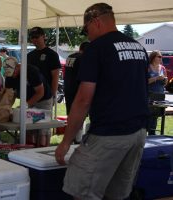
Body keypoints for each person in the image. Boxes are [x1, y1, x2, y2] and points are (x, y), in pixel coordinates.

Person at [55, 3, 149, 200]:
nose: (87, 35)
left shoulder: (97, 48)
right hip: (138, 133)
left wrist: (65, 141)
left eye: (87, 29)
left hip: (108, 134)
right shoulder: (138, 48)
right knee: (116, 195)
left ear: (95, 22)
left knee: (82, 191)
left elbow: (82, 100)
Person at [3, 57, 52, 146]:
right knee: (27, 128)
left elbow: (40, 93)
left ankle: (43, 149)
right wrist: (6, 107)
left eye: (13, 72)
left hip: (43, 100)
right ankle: (29, 149)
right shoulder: (9, 76)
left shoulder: (31, 71)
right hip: (27, 99)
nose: (12, 75)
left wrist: (26, 105)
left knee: (43, 128)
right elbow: (9, 94)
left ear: (18, 66)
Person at [27, 26, 61, 104]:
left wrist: (53, 95)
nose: (34, 39)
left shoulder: (52, 54)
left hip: (46, 97)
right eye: (32, 37)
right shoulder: (29, 55)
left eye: (36, 37)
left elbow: (55, 77)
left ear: (43, 36)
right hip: (31, 97)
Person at [64, 41, 90, 114]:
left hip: (68, 89)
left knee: (71, 114)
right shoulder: (83, 58)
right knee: (79, 116)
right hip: (77, 91)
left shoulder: (70, 56)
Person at [147, 50, 168, 135]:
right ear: (153, 57)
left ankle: (152, 134)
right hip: (149, 95)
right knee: (148, 116)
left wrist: (165, 80)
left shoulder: (162, 68)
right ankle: (147, 133)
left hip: (160, 96)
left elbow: (165, 84)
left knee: (155, 117)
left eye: (161, 56)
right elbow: (145, 81)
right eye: (159, 56)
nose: (161, 58)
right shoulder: (148, 67)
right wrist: (156, 78)